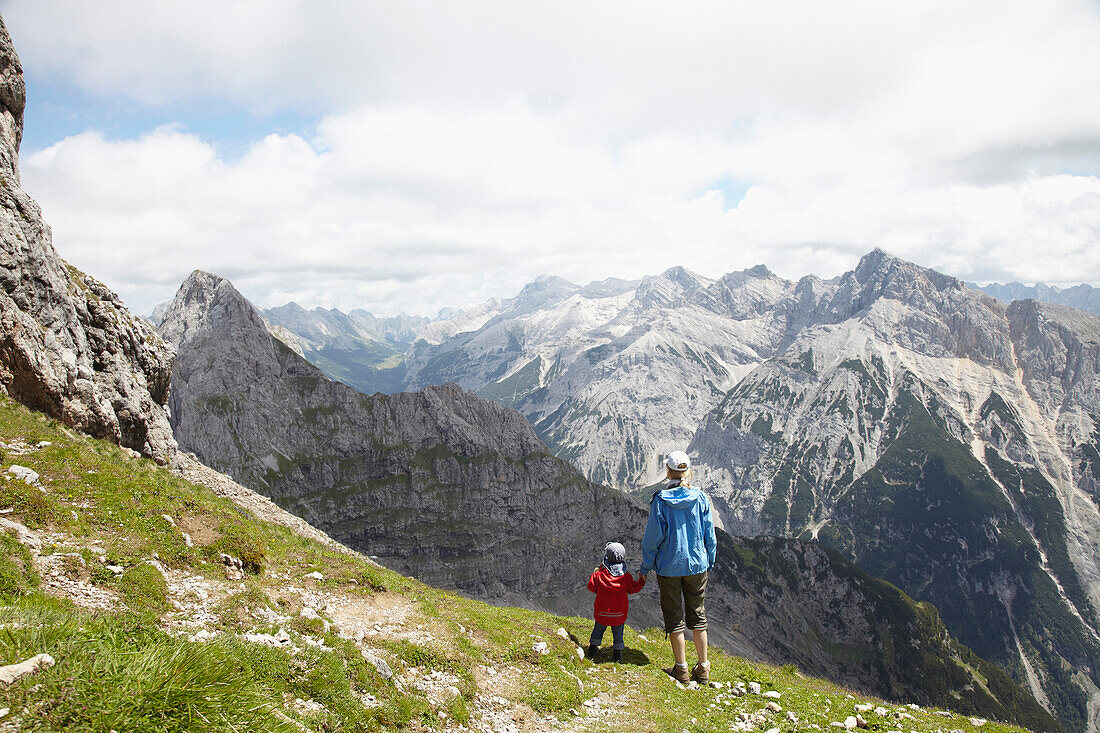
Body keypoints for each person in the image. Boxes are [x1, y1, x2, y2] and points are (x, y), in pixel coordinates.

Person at [639, 450, 717, 683]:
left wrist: (645, 567)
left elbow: (652, 539)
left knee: (674, 618)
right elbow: (709, 535)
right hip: (697, 565)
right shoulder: (701, 498)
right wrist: (709, 558)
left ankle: (681, 668)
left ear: (668, 471)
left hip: (669, 567)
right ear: (687, 471)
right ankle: (703, 667)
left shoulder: (660, 501)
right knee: (698, 616)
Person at [586, 541, 646, 662]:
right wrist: (641, 580)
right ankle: (617, 654)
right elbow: (633, 588)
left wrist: (595, 573)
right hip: (619, 614)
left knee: (598, 629)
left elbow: (591, 587)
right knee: (618, 633)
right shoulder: (626, 577)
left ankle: (592, 649)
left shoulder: (599, 575)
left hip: (602, 612)